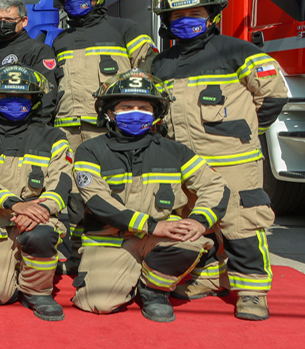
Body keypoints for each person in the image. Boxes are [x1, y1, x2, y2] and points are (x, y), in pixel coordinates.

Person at [151, 0, 288, 321]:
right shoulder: (160, 64)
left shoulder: (237, 51)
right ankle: (212, 280)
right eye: (177, 15)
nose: (186, 20)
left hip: (234, 161)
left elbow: (274, 95)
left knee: (240, 224)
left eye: (194, 13)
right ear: (166, 21)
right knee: (192, 225)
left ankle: (253, 292)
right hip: (185, 165)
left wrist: (246, 134)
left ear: (210, 15)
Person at [71, 69, 229, 322]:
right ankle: (128, 275)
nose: (136, 112)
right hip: (111, 239)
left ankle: (154, 290)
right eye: (126, 106)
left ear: (156, 113)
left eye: (144, 107)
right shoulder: (90, 150)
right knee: (98, 303)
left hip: (162, 236)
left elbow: (215, 185)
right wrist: (151, 225)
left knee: (188, 240)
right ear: (109, 112)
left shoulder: (175, 151)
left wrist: (200, 220)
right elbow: (97, 200)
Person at [47, 0, 157, 274]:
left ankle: (123, 253)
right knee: (73, 196)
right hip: (67, 131)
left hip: (110, 132)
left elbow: (148, 75)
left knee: (114, 192)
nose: (74, 2)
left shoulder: (126, 29)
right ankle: (80, 255)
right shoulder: (60, 40)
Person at [0, 65, 72, 321]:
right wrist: (17, 205)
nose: (15, 103)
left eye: (23, 97)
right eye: (6, 97)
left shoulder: (54, 137)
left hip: (38, 221)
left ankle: (38, 292)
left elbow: (62, 183)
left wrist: (41, 211)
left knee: (41, 235)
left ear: (34, 100)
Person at [0, 0, 57, 126]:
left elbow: (47, 98)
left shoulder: (39, 51)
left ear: (24, 21)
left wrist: (37, 131)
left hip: (21, 132)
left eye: (9, 20)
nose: (2, 23)